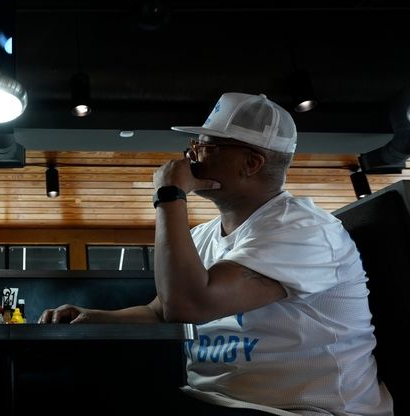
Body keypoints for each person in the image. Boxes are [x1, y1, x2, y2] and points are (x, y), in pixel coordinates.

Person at [38, 93, 394, 415]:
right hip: (214, 401)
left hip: (303, 411)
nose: (190, 154)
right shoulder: (203, 235)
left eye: (207, 145)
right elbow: (161, 311)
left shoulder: (305, 230)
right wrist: (94, 317)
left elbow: (187, 306)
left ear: (251, 163)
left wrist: (169, 196)